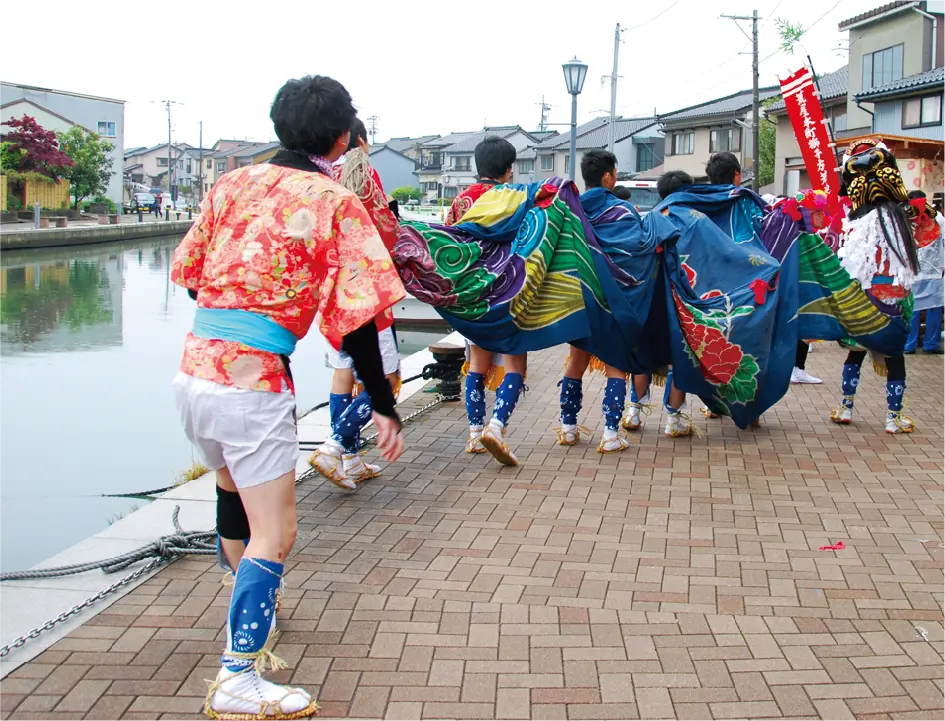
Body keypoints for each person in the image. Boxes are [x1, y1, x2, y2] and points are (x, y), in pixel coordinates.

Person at [171, 75, 405, 720]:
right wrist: (383, 403)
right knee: (278, 533)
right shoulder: (333, 200)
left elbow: (191, 278)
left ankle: (254, 623)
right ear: (341, 137)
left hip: (194, 371)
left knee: (231, 495)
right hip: (253, 386)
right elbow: (358, 319)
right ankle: (237, 674)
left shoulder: (229, 183)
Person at [310, 117, 403, 488]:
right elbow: (385, 228)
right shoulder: (364, 175)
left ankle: (349, 459)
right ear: (359, 140)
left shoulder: (319, 178)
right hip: (367, 291)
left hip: (331, 291)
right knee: (386, 378)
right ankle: (333, 446)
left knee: (342, 371)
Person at [448, 137, 527, 466]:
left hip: (471, 296)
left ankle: (474, 433)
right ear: (509, 170)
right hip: (507, 293)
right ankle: (496, 427)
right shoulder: (513, 198)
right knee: (515, 366)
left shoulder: (460, 201)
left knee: (477, 366)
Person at [556, 150, 630, 453]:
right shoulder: (623, 211)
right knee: (616, 364)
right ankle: (611, 434)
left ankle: (568, 429)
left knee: (576, 361)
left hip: (577, 298)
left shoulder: (570, 211)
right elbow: (634, 255)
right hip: (612, 300)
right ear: (609, 176)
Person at [624, 170, 694, 437]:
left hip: (648, 299)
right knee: (679, 358)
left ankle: (633, 412)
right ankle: (673, 420)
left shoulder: (650, 219)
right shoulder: (693, 220)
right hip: (680, 300)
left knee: (642, 357)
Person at [905, 190, 945, 355]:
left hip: (913, 271)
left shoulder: (907, 219)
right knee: (934, 307)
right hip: (935, 270)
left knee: (913, 308)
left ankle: (909, 344)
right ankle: (930, 344)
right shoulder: (939, 218)